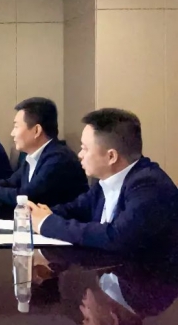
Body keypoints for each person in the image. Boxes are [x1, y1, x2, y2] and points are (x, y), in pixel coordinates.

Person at [29, 108, 178, 254]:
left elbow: (116, 236)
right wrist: (37, 214)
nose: (80, 154)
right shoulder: (105, 182)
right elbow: (76, 209)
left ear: (111, 156)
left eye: (85, 148)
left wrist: (47, 223)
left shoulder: (148, 185)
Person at [0, 98, 88, 207]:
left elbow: (26, 196)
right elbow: (10, 183)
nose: (12, 133)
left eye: (16, 126)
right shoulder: (34, 156)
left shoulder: (58, 158)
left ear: (36, 130)